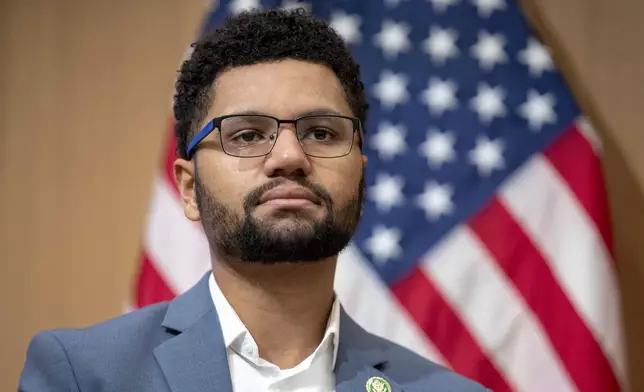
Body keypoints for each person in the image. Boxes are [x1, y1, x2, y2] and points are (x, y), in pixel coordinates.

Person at [19, 8, 490, 392]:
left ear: (361, 183)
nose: (289, 157)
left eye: (322, 132)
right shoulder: (81, 375)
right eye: (246, 135)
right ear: (188, 190)